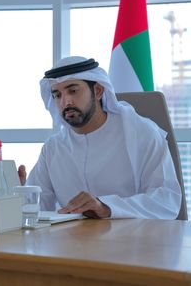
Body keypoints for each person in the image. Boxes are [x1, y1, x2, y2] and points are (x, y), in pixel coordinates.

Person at [18, 56, 182, 219]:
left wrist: (106, 207)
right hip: (72, 242)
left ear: (97, 91)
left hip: (133, 241)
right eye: (57, 95)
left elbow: (166, 201)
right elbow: (37, 209)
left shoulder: (141, 133)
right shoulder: (53, 148)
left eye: (73, 91)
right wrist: (17, 193)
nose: (65, 102)